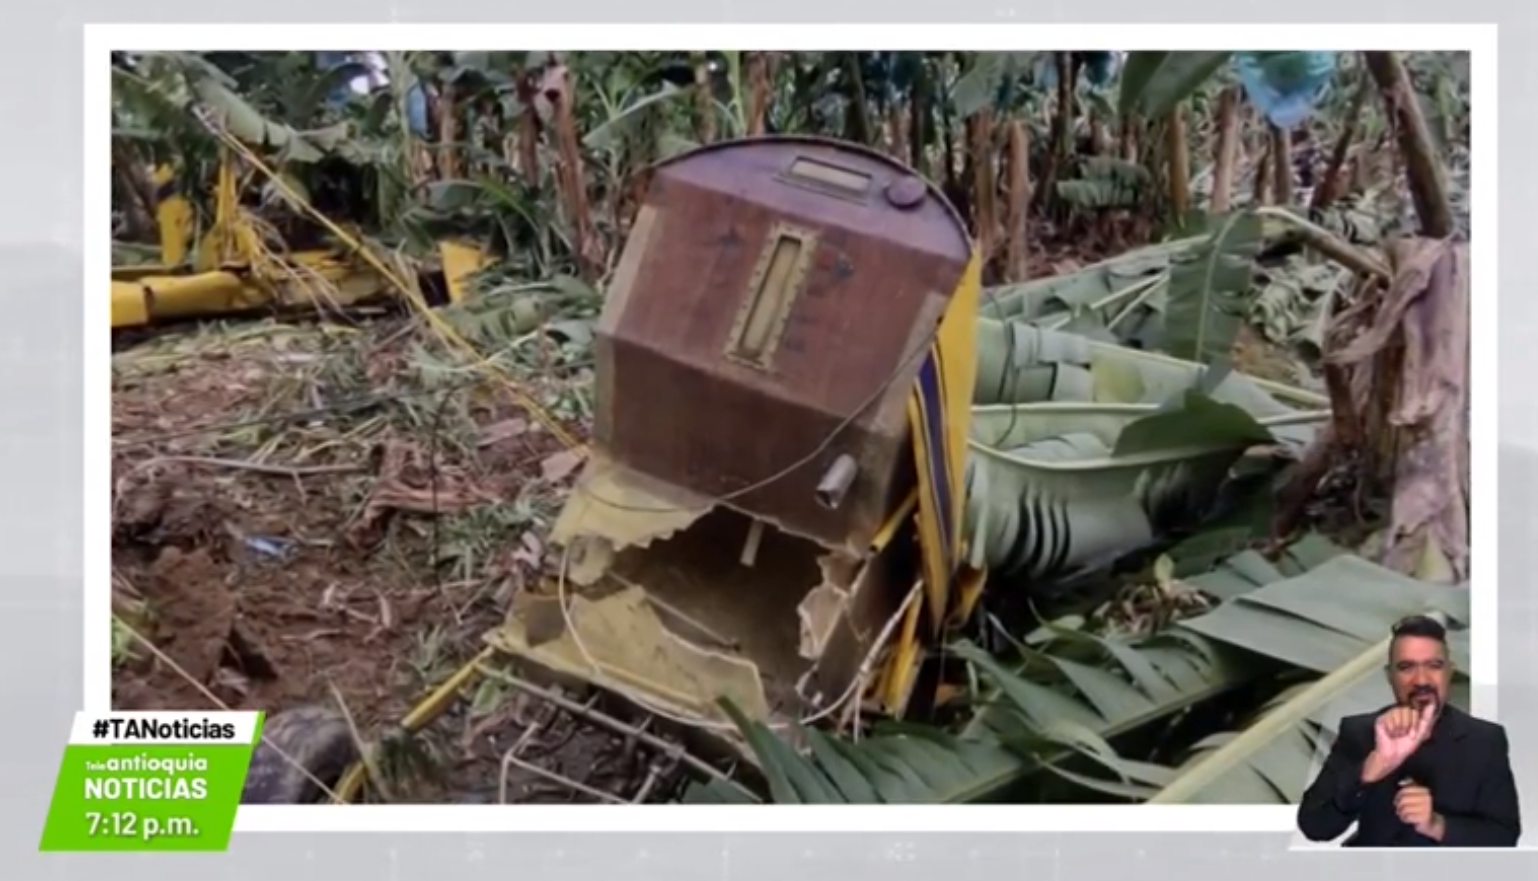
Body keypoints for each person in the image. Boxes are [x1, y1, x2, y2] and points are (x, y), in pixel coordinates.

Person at [1296, 615, 1520, 847]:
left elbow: (1504, 835)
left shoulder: (1485, 740)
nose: (1421, 680)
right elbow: (1314, 827)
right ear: (1389, 676)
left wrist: (1436, 825)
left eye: (1434, 666)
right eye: (1406, 667)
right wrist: (1365, 775)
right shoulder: (1359, 732)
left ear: (1449, 672)